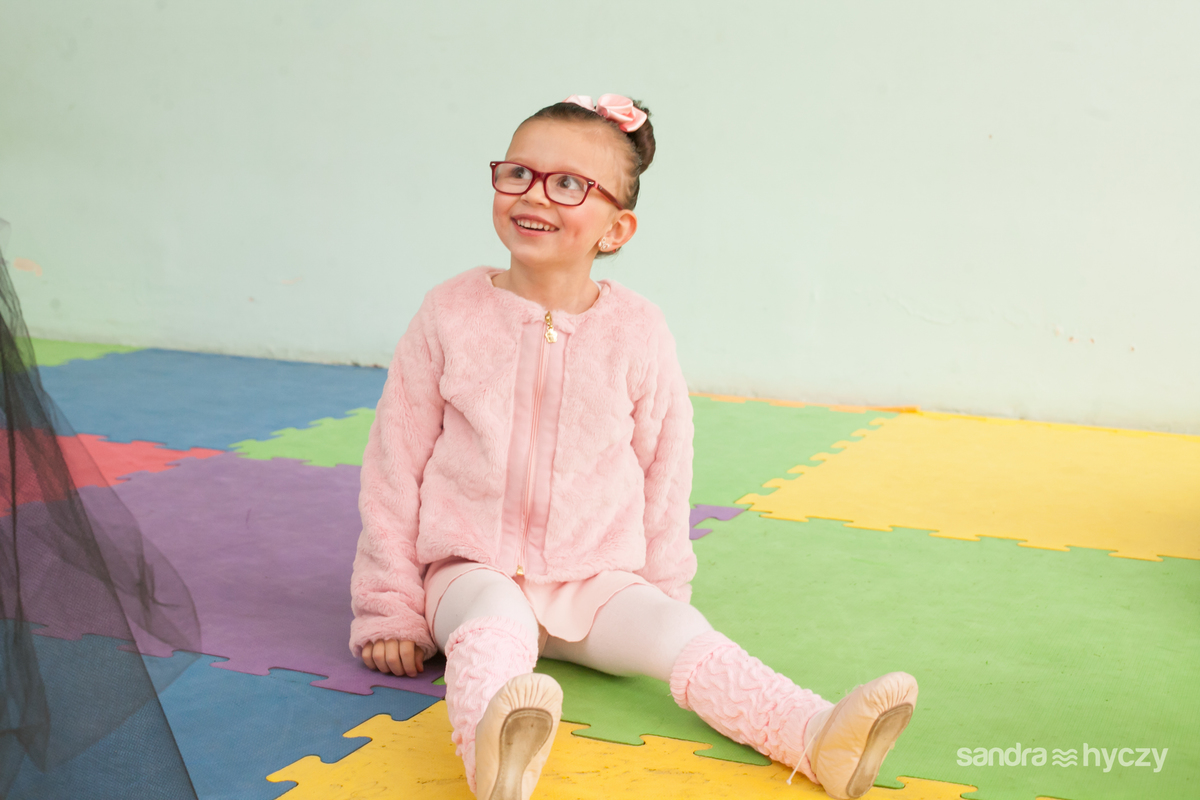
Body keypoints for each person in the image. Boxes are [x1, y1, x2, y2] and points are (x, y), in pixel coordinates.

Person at [348, 94, 917, 800]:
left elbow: (664, 469)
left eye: (568, 184)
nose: (535, 195)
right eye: (518, 173)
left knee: (680, 632)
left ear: (616, 228)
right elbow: (395, 463)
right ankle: (494, 758)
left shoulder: (637, 330)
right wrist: (390, 607)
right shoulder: (450, 312)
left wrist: (659, 593)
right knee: (494, 624)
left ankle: (816, 736)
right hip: (468, 569)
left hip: (595, 577)